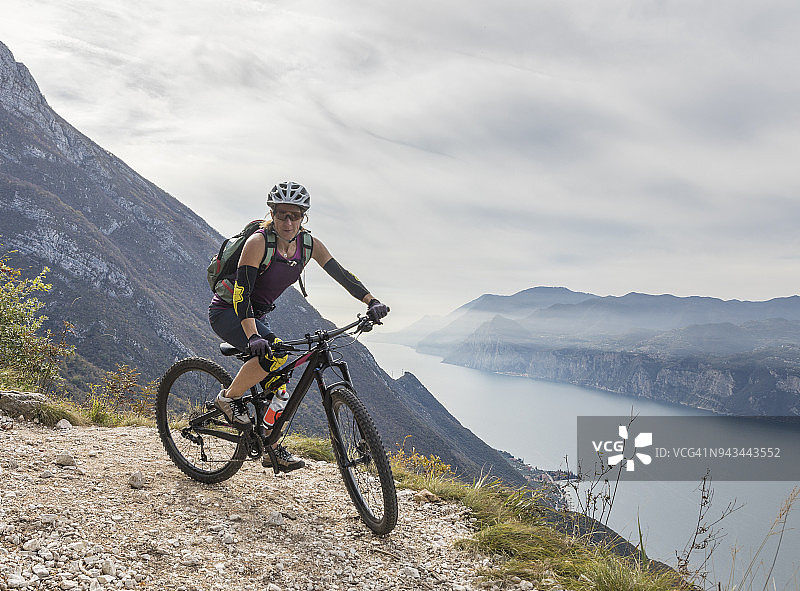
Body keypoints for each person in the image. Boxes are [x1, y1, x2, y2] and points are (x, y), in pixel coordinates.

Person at [208, 181, 389, 472]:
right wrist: (253, 335)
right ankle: (227, 399)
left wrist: (371, 300)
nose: (288, 221)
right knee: (274, 357)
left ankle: (271, 444)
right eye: (282, 214)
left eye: (295, 215)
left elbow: (341, 274)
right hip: (229, 311)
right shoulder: (258, 243)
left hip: (258, 314)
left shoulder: (309, 245)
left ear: (303, 216)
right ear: (273, 213)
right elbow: (241, 292)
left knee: (280, 381)